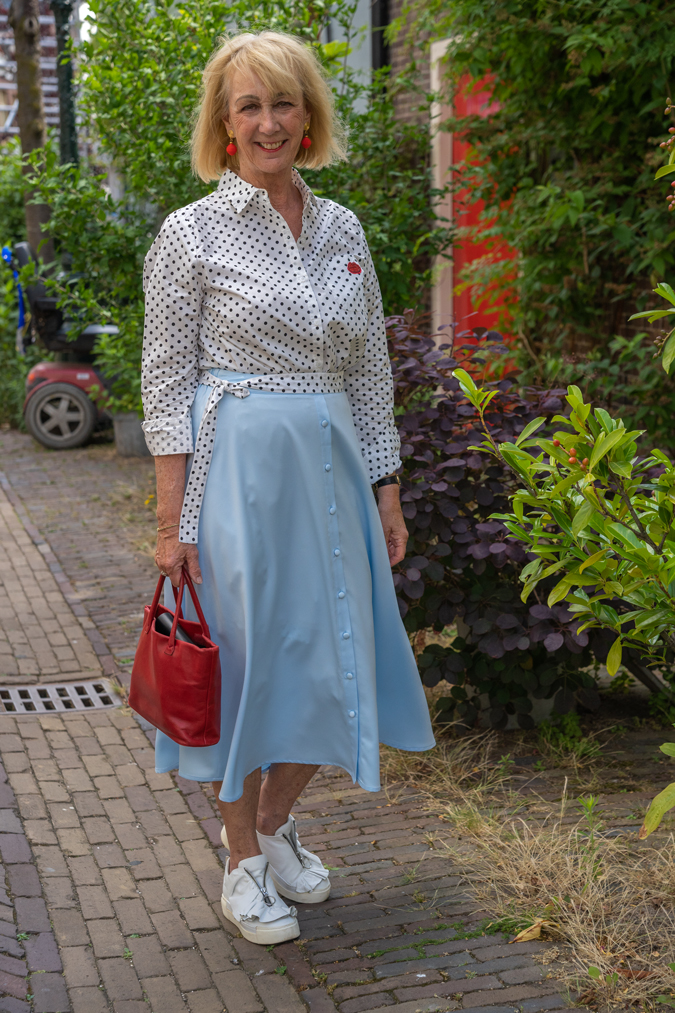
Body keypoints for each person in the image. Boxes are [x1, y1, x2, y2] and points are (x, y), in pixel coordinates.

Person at [141, 30, 435, 946]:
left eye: (283, 103)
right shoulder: (189, 233)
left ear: (308, 116)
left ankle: (271, 824)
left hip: (336, 471)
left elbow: (369, 371)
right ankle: (240, 861)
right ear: (223, 125)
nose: (267, 122)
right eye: (248, 106)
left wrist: (386, 488)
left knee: (340, 657)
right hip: (236, 476)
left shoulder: (344, 227)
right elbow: (164, 384)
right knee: (246, 666)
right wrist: (170, 521)